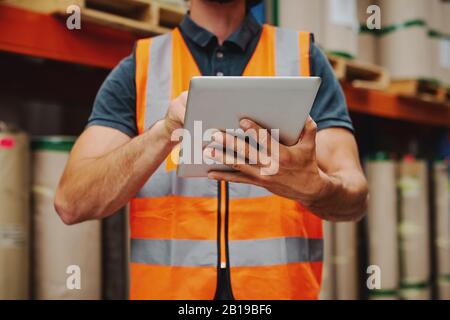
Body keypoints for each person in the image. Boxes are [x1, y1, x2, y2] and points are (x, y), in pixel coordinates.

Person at [55, 0, 368, 300]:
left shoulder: (303, 58)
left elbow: (355, 197)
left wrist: (315, 188)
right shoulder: (141, 67)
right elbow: (72, 203)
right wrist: (163, 133)